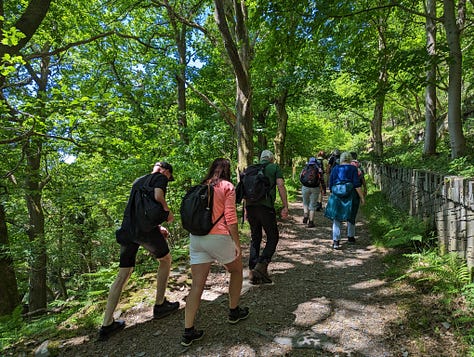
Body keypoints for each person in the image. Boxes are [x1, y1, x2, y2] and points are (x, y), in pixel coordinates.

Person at [98, 162, 179, 341]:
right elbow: (158, 197)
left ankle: (106, 324)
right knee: (165, 260)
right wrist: (167, 212)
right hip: (145, 232)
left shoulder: (138, 181)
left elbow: (140, 209)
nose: (167, 179)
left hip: (127, 231)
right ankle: (160, 305)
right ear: (166, 171)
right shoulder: (159, 177)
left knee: (123, 274)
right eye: (168, 176)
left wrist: (158, 226)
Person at [182, 158, 249, 347]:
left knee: (197, 285)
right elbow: (230, 218)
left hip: (196, 238)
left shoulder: (201, 186)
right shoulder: (227, 186)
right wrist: (237, 243)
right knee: (236, 270)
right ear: (228, 171)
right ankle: (234, 311)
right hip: (218, 236)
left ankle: (188, 331)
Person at [246, 150, 289, 284]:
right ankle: (261, 265)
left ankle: (253, 271)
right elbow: (280, 185)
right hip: (265, 207)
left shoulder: (251, 169)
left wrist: (245, 210)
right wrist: (285, 205)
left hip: (250, 206)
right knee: (273, 236)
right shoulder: (274, 167)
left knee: (255, 237)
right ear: (271, 159)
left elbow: (245, 189)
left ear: (260, 159)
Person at [325, 152, 365, 249]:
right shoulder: (353, 169)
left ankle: (336, 241)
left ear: (341, 159)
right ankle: (351, 237)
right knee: (351, 215)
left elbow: (330, 184)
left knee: (336, 217)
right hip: (351, 195)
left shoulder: (335, 169)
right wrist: (362, 197)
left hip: (336, 195)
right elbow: (356, 184)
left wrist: (332, 194)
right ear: (350, 159)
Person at [301, 157, 321, 228]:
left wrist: (304, 184)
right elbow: (321, 179)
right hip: (315, 188)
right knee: (313, 205)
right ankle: (311, 222)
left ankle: (306, 215)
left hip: (305, 187)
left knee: (305, 202)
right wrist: (323, 189)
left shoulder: (305, 168)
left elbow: (301, 177)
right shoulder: (318, 169)